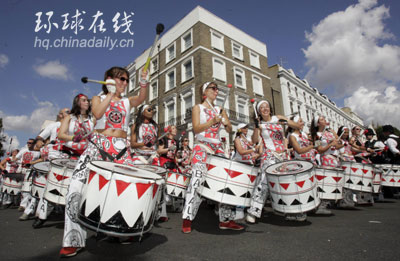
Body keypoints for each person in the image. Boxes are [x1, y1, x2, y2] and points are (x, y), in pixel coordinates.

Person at [60, 66, 147, 258]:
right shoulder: (98, 98)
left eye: (126, 80)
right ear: (109, 80)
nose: (124, 83)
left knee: (125, 190)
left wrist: (143, 81)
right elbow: (98, 114)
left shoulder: (126, 101)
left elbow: (141, 98)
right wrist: (110, 92)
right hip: (97, 146)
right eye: (120, 79)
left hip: (121, 149)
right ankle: (73, 239)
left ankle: (120, 230)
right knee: (75, 189)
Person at [182, 81, 244, 233]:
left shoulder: (220, 109)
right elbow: (196, 128)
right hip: (202, 146)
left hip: (217, 148)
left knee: (226, 183)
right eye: (213, 88)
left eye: (217, 89)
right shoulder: (198, 108)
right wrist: (212, 121)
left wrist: (224, 122)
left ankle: (225, 220)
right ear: (205, 92)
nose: (216, 91)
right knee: (197, 180)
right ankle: (187, 218)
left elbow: (229, 129)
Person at [32, 94, 95, 229]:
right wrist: (74, 137)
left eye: (87, 101)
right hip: (67, 155)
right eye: (83, 100)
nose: (87, 102)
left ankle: (78, 218)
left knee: (81, 188)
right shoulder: (69, 117)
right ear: (77, 102)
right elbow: (61, 134)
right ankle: (42, 215)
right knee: (55, 185)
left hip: (84, 158)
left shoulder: (91, 120)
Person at [246, 100, 300, 224]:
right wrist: (256, 127)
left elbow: (297, 127)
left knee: (286, 182)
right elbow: (254, 141)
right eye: (262, 108)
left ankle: (290, 210)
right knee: (264, 182)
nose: (265, 109)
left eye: (267, 106)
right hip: (269, 154)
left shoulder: (278, 118)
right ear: (259, 112)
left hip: (283, 155)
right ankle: (253, 211)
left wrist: (285, 122)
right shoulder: (260, 124)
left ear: (270, 108)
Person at [285, 115, 318, 221]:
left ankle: (305, 209)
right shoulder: (292, 136)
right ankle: (295, 212)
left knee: (308, 187)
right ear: (294, 124)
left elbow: (310, 145)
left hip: (310, 163)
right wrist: (312, 146)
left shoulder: (304, 134)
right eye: (300, 121)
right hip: (299, 164)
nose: (303, 123)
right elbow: (299, 150)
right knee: (299, 189)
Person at [310, 116, 344, 214]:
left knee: (333, 181)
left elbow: (337, 144)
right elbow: (319, 149)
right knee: (326, 181)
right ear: (318, 124)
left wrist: (339, 141)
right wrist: (330, 144)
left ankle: (327, 202)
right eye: (322, 119)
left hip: (334, 158)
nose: (325, 120)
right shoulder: (316, 135)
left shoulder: (329, 133)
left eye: (325, 119)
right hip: (326, 158)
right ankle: (321, 205)